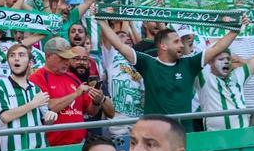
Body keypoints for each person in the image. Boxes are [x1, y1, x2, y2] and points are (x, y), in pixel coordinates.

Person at [99, 22, 240, 118]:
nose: (181, 45)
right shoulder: (148, 63)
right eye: (176, 42)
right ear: (163, 46)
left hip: (183, 133)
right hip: (156, 135)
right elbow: (119, 45)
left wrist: (236, 29)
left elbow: (217, 48)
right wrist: (102, 22)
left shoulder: (189, 64)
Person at [29, 36, 104, 146]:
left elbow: (91, 111)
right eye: (62, 58)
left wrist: (97, 101)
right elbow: (49, 107)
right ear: (48, 56)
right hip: (52, 146)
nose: (67, 62)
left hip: (79, 144)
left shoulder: (73, 77)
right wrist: (75, 94)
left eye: (68, 58)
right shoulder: (37, 77)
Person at [197, 40, 254, 130]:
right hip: (215, 137)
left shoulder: (238, 74)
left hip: (242, 134)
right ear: (210, 62)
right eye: (221, 59)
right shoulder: (203, 78)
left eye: (228, 59)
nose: (226, 62)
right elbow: (190, 59)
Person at [0, 43, 56, 151]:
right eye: (12, 55)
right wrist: (33, 103)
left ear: (30, 63)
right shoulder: (0, 85)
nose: (16, 59)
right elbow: (5, 117)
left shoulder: (36, 89)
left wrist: (51, 117)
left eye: (21, 55)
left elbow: (45, 120)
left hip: (39, 150)